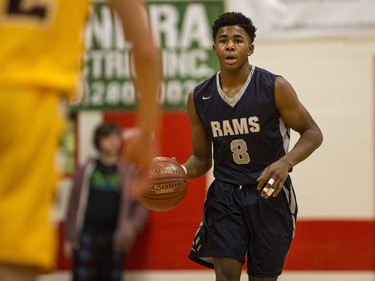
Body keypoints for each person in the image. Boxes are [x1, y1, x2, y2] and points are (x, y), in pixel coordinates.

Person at [0, 1, 160, 280]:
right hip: (28, 96)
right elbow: (145, 48)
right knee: (13, 258)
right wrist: (147, 133)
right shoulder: (88, 169)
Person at [181, 12, 323, 281]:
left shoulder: (274, 86)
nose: (230, 45)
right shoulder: (200, 97)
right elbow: (201, 159)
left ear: (250, 48)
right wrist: (178, 171)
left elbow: (313, 133)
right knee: (225, 275)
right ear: (215, 49)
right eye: (223, 40)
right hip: (225, 195)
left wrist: (285, 162)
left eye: (238, 40)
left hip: (269, 192)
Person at [64, 122, 149, 281]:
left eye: (116, 137)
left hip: (115, 240)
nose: (112, 141)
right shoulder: (86, 170)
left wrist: (129, 229)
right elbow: (73, 205)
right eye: (107, 137)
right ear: (98, 141)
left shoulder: (129, 171)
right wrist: (69, 237)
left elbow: (141, 206)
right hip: (86, 237)